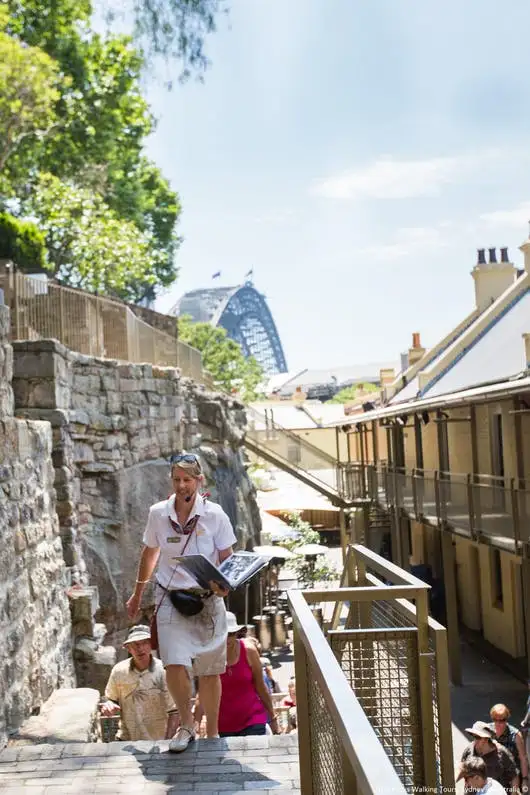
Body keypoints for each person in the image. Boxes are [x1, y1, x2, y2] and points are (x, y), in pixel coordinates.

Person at [126, 452, 237, 753]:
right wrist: (137, 594)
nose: (181, 485)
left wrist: (224, 584)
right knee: (174, 663)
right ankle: (187, 725)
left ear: (199, 481)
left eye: (187, 480)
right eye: (177, 479)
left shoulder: (215, 515)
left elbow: (228, 560)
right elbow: (149, 554)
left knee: (210, 669)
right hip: (171, 598)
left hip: (208, 600)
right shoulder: (158, 513)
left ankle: (212, 732)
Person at [100, 624, 178, 741]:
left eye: (145, 643)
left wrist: (167, 742)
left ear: (151, 645)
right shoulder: (119, 671)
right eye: (135, 644)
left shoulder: (164, 671)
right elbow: (110, 698)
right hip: (126, 740)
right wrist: (108, 704)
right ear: (127, 647)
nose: (140, 648)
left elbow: (174, 710)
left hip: (158, 741)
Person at [218, 612, 280, 737]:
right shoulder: (210, 655)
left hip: (253, 719)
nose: (227, 638)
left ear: (236, 633)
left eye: (230, 634)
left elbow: (261, 686)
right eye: (223, 633)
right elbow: (204, 692)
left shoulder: (249, 651)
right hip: (224, 724)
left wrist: (272, 717)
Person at [458, 721, 518, 792]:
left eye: (478, 737)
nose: (475, 740)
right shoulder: (469, 749)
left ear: (486, 739)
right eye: (473, 736)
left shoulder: (502, 753)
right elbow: (462, 768)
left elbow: (514, 777)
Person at [488, 703, 528, 791]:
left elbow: (523, 758)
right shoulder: (487, 731)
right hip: (491, 776)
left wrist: (525, 779)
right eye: (495, 719)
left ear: (506, 719)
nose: (498, 723)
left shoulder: (515, 735)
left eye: (501, 720)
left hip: (510, 778)